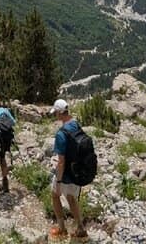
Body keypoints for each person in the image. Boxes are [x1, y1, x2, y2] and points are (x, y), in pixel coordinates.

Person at [50, 98, 87, 241]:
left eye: (56, 113)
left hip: (65, 172)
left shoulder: (61, 134)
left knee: (54, 194)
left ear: (60, 113)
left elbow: (61, 162)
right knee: (72, 198)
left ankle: (61, 228)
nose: (55, 116)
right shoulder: (76, 124)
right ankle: (80, 228)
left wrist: (58, 182)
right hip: (77, 169)